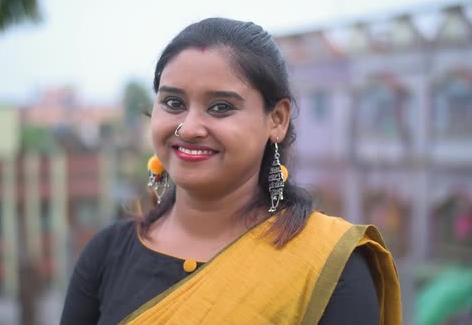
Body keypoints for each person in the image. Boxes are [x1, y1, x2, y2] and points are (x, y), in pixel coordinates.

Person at [60, 17, 402, 325]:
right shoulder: (106, 253)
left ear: (277, 119)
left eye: (220, 107)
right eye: (173, 103)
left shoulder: (330, 265)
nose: (189, 127)